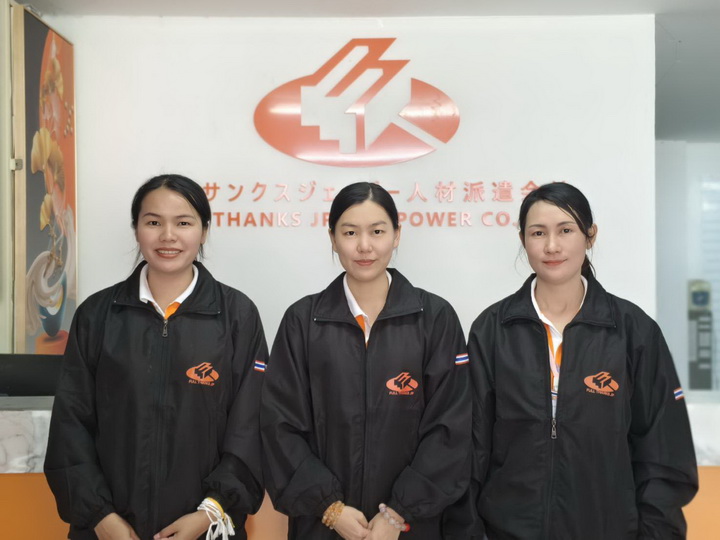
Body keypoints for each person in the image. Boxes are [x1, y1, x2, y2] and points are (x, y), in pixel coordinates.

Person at [465, 182, 698, 539]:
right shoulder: (492, 329)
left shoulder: (633, 331)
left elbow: (663, 452)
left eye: (566, 230)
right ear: (523, 239)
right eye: (538, 233)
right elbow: (470, 449)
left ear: (590, 236)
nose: (552, 246)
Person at [45, 174, 267, 540]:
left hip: (207, 529)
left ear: (204, 230)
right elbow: (70, 427)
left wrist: (209, 513)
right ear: (136, 229)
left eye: (183, 223)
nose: (168, 236)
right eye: (153, 222)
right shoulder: (97, 315)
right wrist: (101, 518)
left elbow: (250, 427)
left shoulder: (237, 316)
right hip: (108, 530)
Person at [261, 182, 471, 539]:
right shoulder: (303, 321)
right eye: (349, 233)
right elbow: (279, 426)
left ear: (396, 235)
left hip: (411, 528)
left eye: (377, 231)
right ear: (332, 238)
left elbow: (450, 428)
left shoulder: (435, 318)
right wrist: (330, 509)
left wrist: (398, 514)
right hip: (322, 526)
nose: (364, 246)